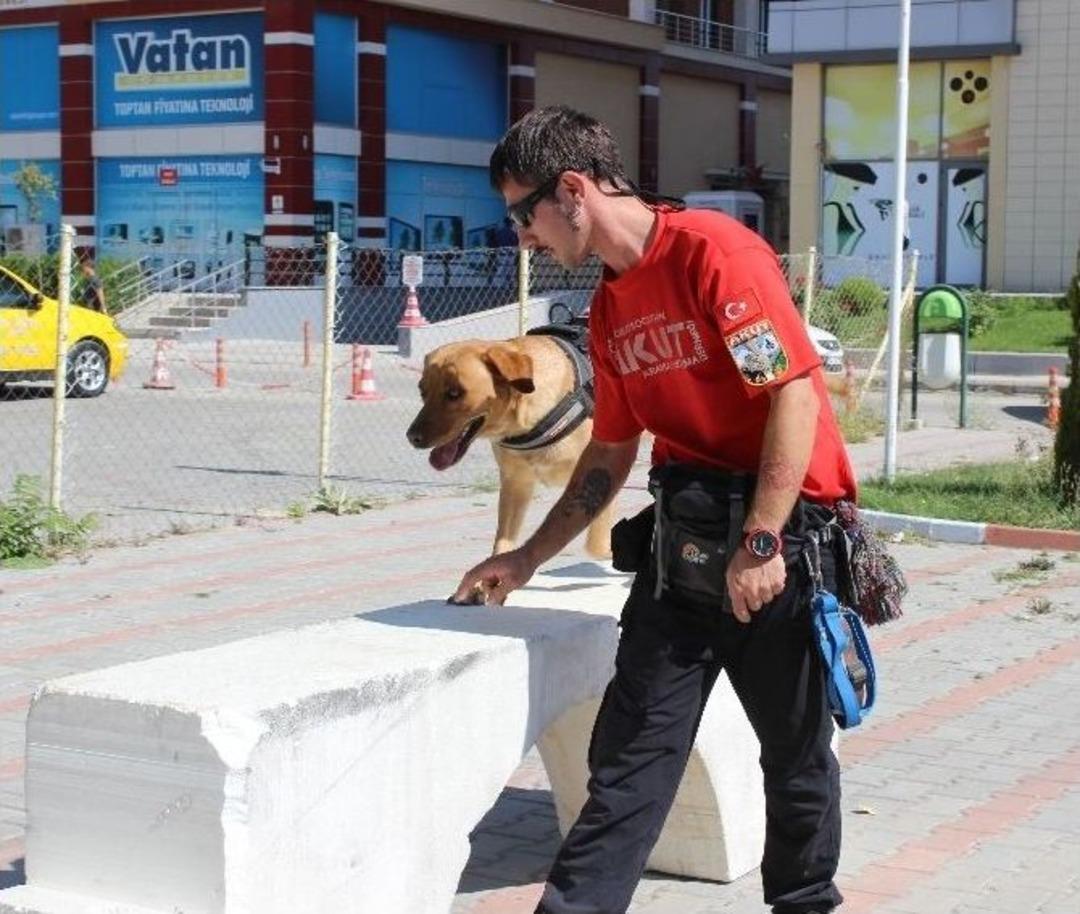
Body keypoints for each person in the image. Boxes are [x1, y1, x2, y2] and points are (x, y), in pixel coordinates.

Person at [451, 105, 857, 914]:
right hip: (683, 553)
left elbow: (791, 393)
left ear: (573, 190)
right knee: (629, 764)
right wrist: (527, 557)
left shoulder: (713, 254)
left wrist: (762, 541)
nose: (522, 238)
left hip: (780, 546)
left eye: (522, 214)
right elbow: (609, 450)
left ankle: (805, 903)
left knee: (796, 758)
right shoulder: (608, 309)